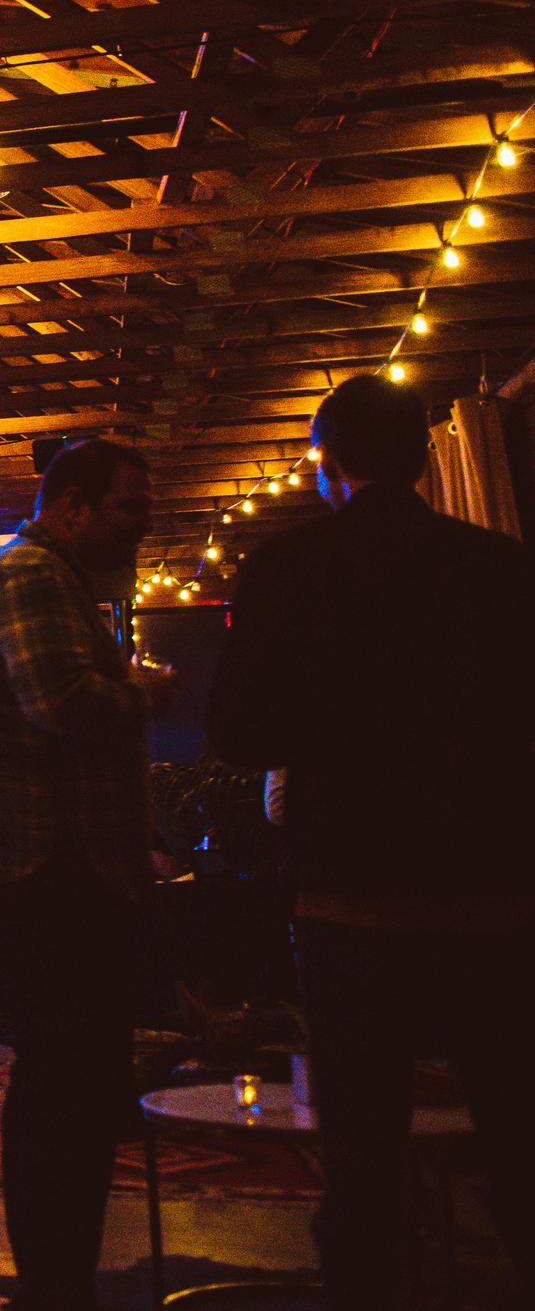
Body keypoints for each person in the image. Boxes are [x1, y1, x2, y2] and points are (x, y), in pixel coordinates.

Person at [207, 374, 535, 1311]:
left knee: (359, 1154)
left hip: (349, 897)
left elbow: (237, 732)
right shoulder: (498, 565)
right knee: (515, 1133)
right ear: (426, 457)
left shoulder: (286, 568)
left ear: (327, 463)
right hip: (491, 890)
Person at [0, 437, 169, 1311]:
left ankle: (58, 1279)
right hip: (49, 876)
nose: (142, 525)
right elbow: (62, 701)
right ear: (71, 504)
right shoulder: (32, 574)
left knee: (66, 1090)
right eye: (129, 507)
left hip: (53, 872)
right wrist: (147, 693)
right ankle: (53, 1285)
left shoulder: (45, 575)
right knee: (61, 1094)